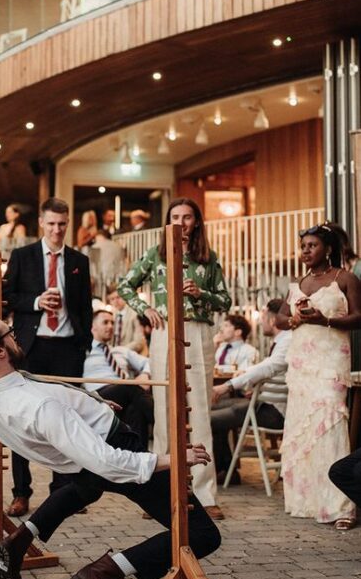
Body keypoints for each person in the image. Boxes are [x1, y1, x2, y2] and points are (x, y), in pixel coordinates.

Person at [0, 315, 220, 579]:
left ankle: (19, 539)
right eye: (10, 332)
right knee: (202, 534)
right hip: (109, 450)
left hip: (80, 461)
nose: (17, 335)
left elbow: (51, 396)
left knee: (86, 486)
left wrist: (90, 405)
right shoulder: (39, 407)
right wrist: (170, 459)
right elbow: (105, 461)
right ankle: (105, 572)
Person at [118, 197, 231, 520]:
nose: (181, 222)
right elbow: (126, 285)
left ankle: (205, 493)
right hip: (164, 331)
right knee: (166, 409)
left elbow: (225, 299)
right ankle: (161, 492)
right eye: (175, 216)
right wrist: (145, 309)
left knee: (199, 413)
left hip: (198, 332)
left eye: (187, 216)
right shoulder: (155, 255)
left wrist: (201, 294)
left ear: (196, 221)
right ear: (168, 222)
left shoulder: (208, 259)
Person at [3, 197, 93, 516]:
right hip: (32, 346)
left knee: (67, 419)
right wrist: (37, 301)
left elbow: (85, 306)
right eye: (52, 223)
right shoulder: (22, 256)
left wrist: (85, 342)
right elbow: (7, 296)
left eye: (62, 224)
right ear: (41, 222)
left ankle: (64, 491)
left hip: (68, 348)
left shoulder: (79, 259)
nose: (57, 230)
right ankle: (21, 491)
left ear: (68, 224)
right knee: (22, 420)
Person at [275, 223, 361, 530]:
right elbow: (280, 318)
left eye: (312, 246)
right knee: (302, 428)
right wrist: (294, 318)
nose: (305, 252)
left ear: (327, 248)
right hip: (301, 365)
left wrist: (326, 319)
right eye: (303, 247)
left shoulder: (345, 278)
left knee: (330, 425)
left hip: (330, 362)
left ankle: (340, 506)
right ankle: (307, 500)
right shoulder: (299, 281)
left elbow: (358, 317)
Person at [211, 299, 292, 484]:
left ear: (273, 320)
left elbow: (268, 367)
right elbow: (266, 367)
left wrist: (228, 385)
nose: (260, 322)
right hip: (263, 403)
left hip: (274, 411)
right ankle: (226, 470)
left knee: (209, 419)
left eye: (262, 317)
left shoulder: (287, 341)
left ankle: (224, 471)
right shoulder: (281, 341)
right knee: (210, 408)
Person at [84, 307, 153, 438]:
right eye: (105, 322)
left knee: (135, 409)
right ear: (92, 327)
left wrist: (146, 374)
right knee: (128, 386)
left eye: (112, 323)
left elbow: (149, 362)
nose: (110, 326)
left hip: (127, 393)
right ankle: (161, 420)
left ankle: (141, 453)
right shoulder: (84, 352)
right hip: (98, 395)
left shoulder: (121, 350)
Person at [106, 286, 146, 353]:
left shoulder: (134, 314)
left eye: (118, 297)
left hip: (129, 354)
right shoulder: (110, 316)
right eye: (112, 299)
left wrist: (119, 350)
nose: (116, 301)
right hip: (112, 353)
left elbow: (139, 342)